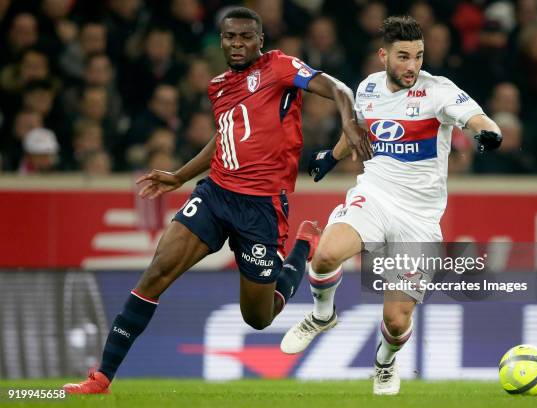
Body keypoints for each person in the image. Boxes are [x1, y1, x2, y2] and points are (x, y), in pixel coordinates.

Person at [63, 7, 369, 394]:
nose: (237, 44)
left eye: (245, 37)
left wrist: (348, 120)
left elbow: (339, 88)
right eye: (230, 37)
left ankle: (301, 249)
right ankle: (102, 376)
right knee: (157, 272)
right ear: (221, 41)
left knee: (258, 317)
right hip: (217, 193)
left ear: (260, 40)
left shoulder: (280, 67)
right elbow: (223, 137)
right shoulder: (219, 85)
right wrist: (178, 176)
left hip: (261, 208)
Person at [280, 15, 502, 396]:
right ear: (384, 55)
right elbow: (361, 132)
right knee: (326, 255)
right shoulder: (366, 88)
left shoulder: (439, 91)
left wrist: (489, 134)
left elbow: (479, 119)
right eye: (403, 56)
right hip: (376, 195)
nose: (412, 66)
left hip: (420, 219)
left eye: (418, 56)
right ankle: (322, 314)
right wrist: (331, 157)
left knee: (397, 321)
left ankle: (384, 362)